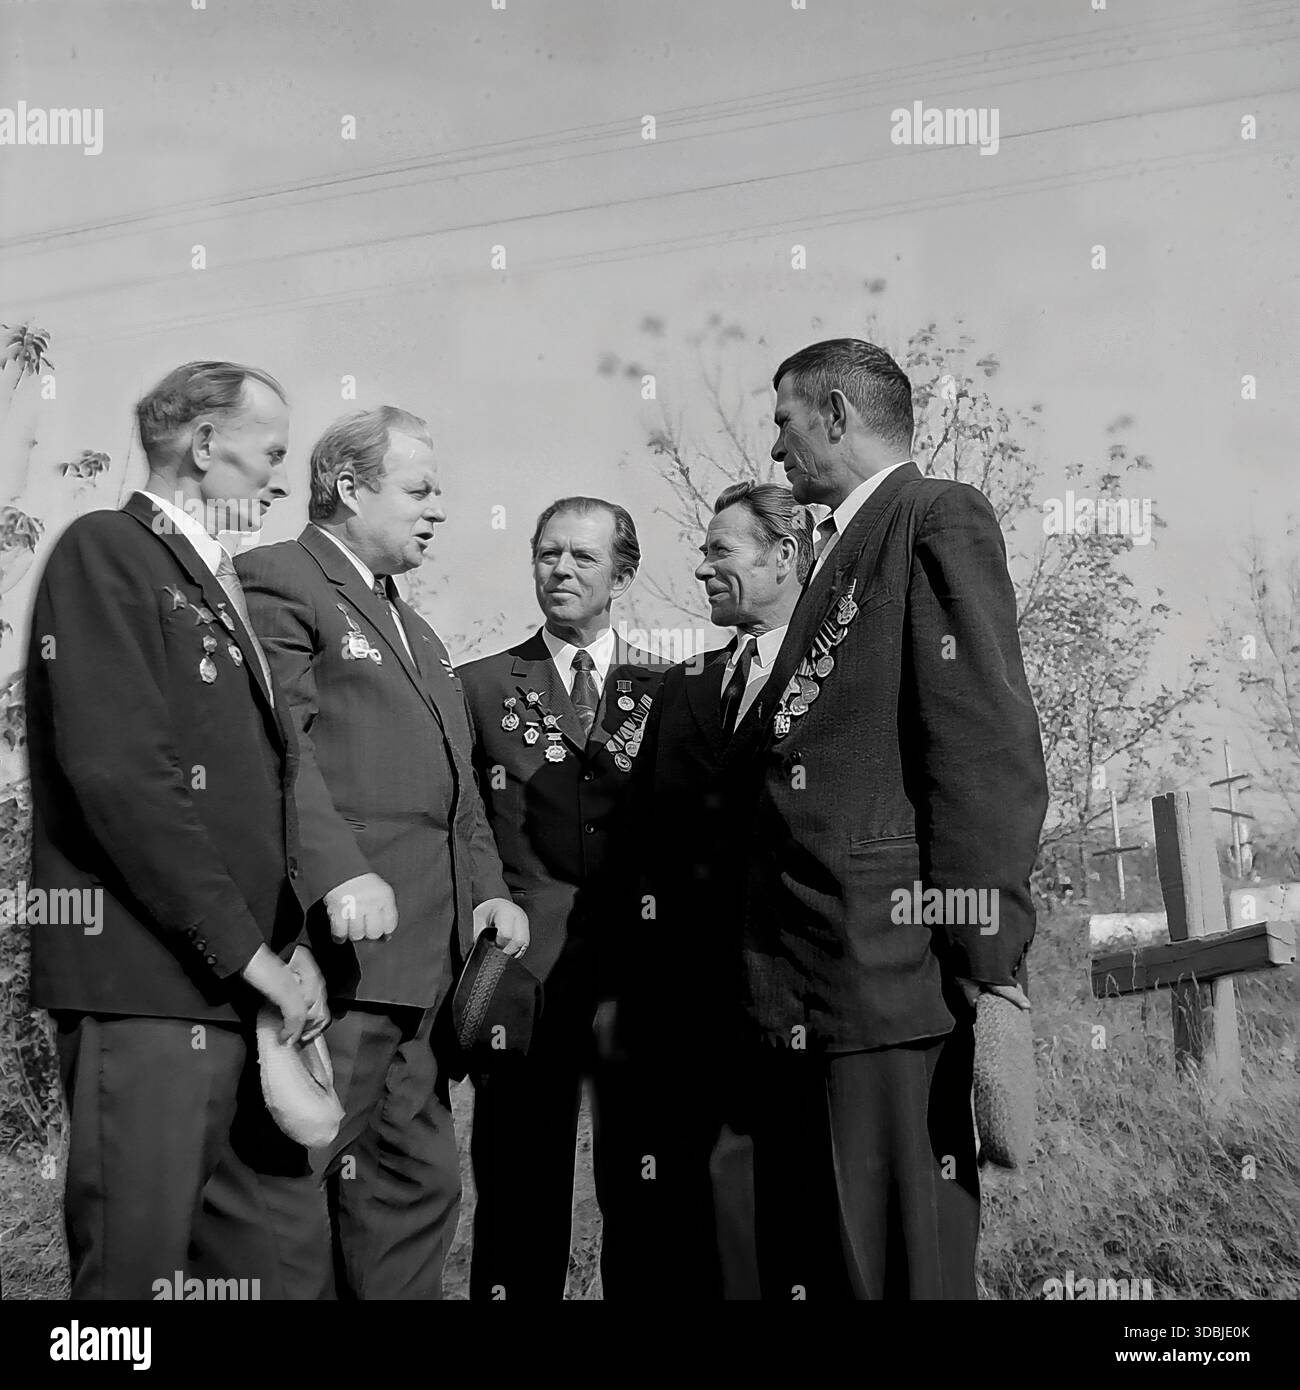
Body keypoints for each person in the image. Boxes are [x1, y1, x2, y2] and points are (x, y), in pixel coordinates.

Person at [724, 338, 1049, 1299]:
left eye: (784, 422)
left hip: (890, 974)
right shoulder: (837, 553)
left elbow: (983, 750)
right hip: (808, 980)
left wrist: (988, 964)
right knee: (829, 1263)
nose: (776, 448)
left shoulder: (933, 516)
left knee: (904, 1266)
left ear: (834, 413)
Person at [26, 360, 326, 1299]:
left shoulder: (218, 579)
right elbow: (122, 775)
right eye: (271, 452)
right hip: (149, 988)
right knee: (133, 1279)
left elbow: (253, 793)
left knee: (279, 1271)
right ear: (204, 445)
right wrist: (247, 950)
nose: (282, 477)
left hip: (246, 997)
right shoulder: (106, 549)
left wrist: (289, 945)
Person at [236, 405, 527, 1299]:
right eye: (419, 489)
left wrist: (488, 891)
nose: (437, 510)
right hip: (335, 959)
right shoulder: (276, 578)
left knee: (416, 1186)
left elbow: (457, 793)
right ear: (348, 486)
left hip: (428, 973)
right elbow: (278, 751)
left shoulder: (423, 633)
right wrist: (336, 873)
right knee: (291, 1188)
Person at [458, 496, 668, 1300]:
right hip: (521, 975)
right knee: (517, 1196)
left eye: (583, 557)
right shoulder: (478, 687)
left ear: (624, 571)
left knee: (647, 1194)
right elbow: (461, 821)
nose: (562, 571)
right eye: (548, 554)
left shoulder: (673, 687)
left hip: (639, 981)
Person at [613, 480, 812, 1299]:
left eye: (719, 551)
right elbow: (644, 843)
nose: (700, 570)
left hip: (807, 997)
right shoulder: (687, 686)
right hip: (690, 1009)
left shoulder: (840, 668)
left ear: (786, 555)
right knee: (708, 1226)